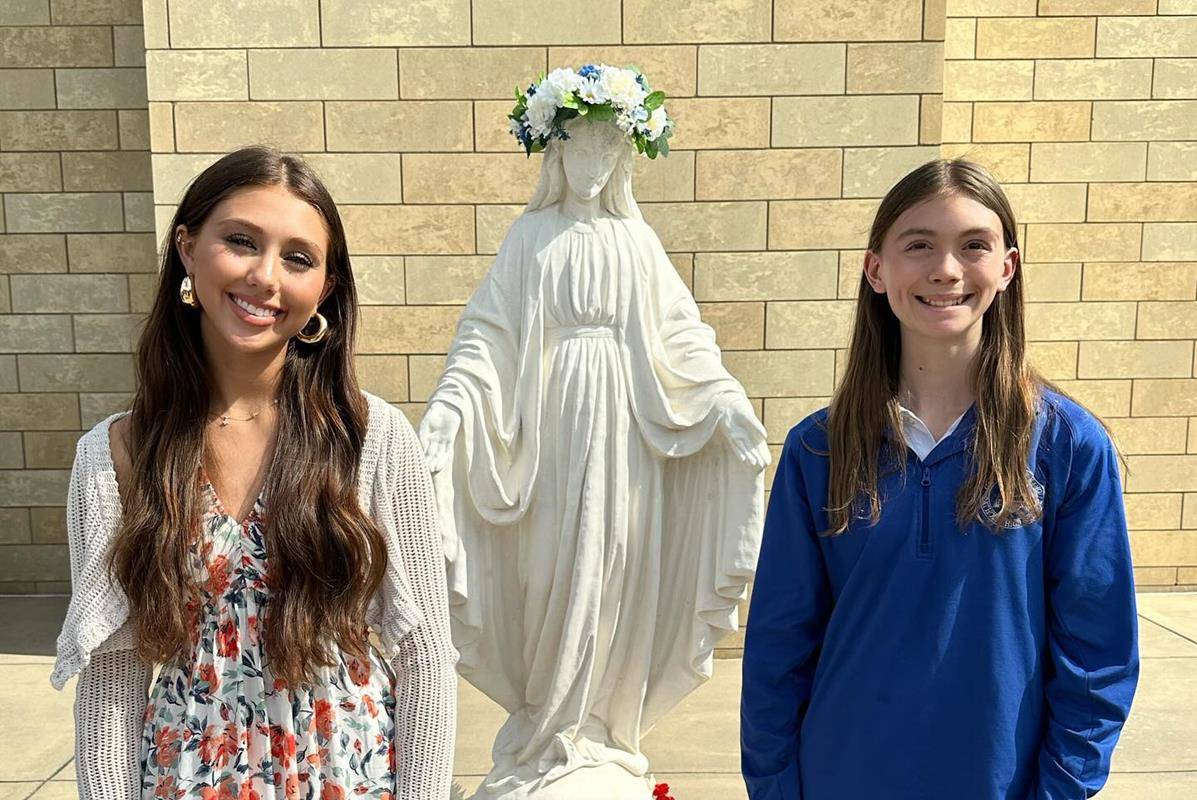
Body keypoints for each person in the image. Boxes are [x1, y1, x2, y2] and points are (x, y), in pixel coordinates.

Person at [50, 146, 457, 799]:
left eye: (297, 258)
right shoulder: (116, 455)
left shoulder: (371, 438)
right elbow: (113, 674)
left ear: (324, 288)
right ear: (187, 247)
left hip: (350, 777)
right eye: (240, 241)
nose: (265, 276)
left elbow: (426, 655)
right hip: (186, 779)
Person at [740, 159, 1139, 799]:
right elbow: (776, 650)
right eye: (918, 244)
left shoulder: (1067, 445)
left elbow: (1098, 656)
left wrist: (1062, 789)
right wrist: (776, 787)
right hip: (840, 777)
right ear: (877, 269)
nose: (946, 270)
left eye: (972, 246)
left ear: (1007, 268)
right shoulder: (819, 448)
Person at [418, 105, 769, 793]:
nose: (592, 167)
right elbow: (487, 334)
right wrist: (451, 406)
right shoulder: (530, 236)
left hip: (626, 426)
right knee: (551, 569)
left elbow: (681, 333)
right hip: (549, 425)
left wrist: (724, 400)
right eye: (580, 151)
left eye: (607, 154)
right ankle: (546, 728)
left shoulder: (636, 242)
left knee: (615, 565)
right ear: (556, 156)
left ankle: (600, 734)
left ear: (622, 162)